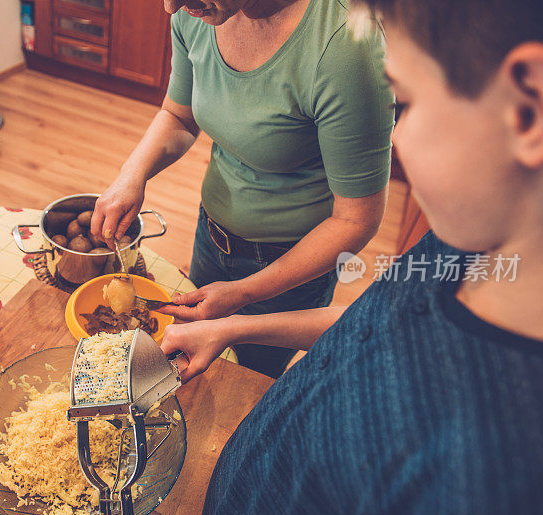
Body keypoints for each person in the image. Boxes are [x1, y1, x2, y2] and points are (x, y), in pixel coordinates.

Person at [160, 0, 543, 515]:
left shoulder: (488, 488)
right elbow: (373, 321)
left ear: (529, 107)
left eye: (407, 102)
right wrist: (235, 325)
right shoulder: (464, 247)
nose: (393, 137)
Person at [91, 0, 394, 378]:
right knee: (190, 371)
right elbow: (178, 114)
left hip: (291, 266)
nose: (171, 7)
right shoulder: (196, 12)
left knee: (245, 385)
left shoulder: (345, 48)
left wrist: (246, 291)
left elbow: (356, 220)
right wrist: (131, 174)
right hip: (212, 236)